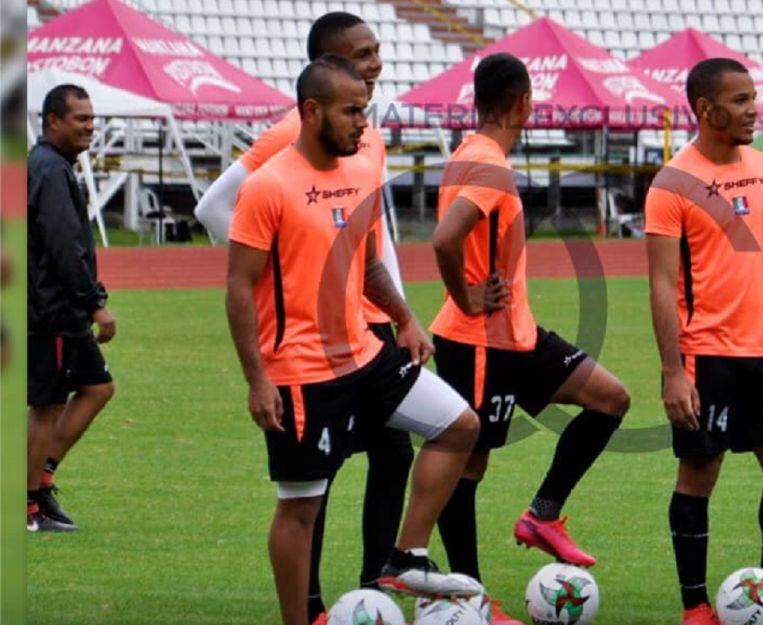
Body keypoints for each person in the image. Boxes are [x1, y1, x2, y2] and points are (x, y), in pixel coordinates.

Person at [226, 55, 482, 625]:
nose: (362, 123)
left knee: (460, 425)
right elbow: (239, 288)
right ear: (311, 111)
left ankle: (404, 556)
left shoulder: (363, 174)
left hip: (367, 359)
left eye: (364, 111)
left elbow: (368, 266)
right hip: (300, 376)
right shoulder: (267, 188)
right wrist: (256, 379)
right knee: (301, 509)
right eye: (350, 112)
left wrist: (407, 318)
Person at [195, 14, 411, 624]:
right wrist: (283, 277)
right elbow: (213, 205)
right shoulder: (297, 128)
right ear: (328, 62)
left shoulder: (362, 129)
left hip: (369, 324)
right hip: (318, 340)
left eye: (377, 51)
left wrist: (393, 305)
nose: (376, 63)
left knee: (394, 452)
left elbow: (369, 236)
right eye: (362, 54)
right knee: (321, 474)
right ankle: (315, 604)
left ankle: (377, 582)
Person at [429, 53, 630, 625]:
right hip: (479, 340)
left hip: (515, 335)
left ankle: (543, 515)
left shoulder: (470, 155)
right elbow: (446, 240)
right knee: (468, 468)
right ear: (522, 104)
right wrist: (466, 298)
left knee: (610, 398)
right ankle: (469, 598)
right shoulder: (487, 166)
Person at [644, 58, 763, 625]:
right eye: (741, 100)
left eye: (754, 98)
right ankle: (695, 605)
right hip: (706, 356)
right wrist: (674, 371)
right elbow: (660, 284)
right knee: (701, 473)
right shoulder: (672, 183)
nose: (754, 110)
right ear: (706, 109)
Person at [27, 84, 117, 533]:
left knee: (98, 387)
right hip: (53, 312)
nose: (90, 126)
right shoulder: (49, 169)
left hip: (54, 310)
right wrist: (95, 304)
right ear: (52, 122)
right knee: (45, 406)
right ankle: (26, 506)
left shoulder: (50, 166)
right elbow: (65, 247)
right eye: (80, 118)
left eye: (91, 117)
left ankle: (40, 482)